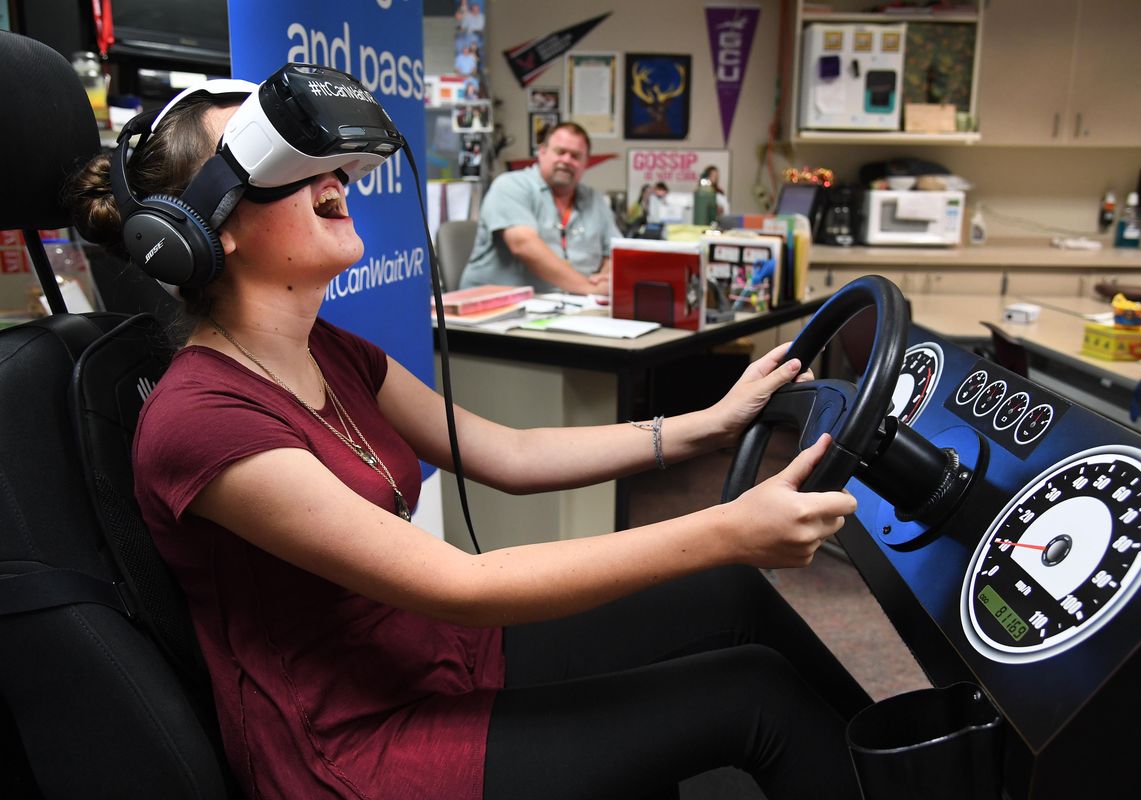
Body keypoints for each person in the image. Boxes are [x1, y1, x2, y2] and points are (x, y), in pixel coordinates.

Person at [66, 77, 872, 800]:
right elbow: (460, 583)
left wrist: (706, 423)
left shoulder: (328, 349)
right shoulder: (202, 419)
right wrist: (728, 531)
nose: (334, 177)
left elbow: (508, 455)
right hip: (359, 745)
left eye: (328, 159)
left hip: (437, 656)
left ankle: (918, 763)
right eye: (280, 160)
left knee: (729, 601)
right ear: (211, 230)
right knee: (752, 696)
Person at [459, 122, 620, 295]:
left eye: (575, 156)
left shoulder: (594, 199)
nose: (566, 160)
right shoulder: (510, 185)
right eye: (560, 152)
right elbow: (523, 244)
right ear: (542, 152)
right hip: (499, 309)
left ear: (585, 163)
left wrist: (606, 277)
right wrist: (589, 289)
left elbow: (614, 252)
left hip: (573, 308)